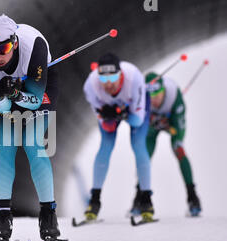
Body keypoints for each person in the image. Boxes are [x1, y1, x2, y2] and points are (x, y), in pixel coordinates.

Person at [0, 14, 61, 241]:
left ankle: (48, 214)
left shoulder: (34, 47)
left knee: (32, 142)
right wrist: (0, 96)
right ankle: (2, 216)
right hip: (11, 94)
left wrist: (16, 92)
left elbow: (36, 101)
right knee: (6, 144)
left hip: (38, 87)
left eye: (4, 48)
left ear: (15, 43)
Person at [83, 52, 154, 221]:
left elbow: (137, 121)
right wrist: (110, 116)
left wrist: (122, 113)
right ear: (97, 77)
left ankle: (146, 199)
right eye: (103, 79)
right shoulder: (91, 86)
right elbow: (106, 125)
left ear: (120, 74)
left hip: (134, 110)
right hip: (113, 111)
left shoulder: (134, 78)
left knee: (138, 145)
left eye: (113, 78)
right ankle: (94, 200)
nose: (108, 84)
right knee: (105, 146)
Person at [130, 73, 202, 216]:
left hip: (172, 122)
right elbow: (139, 124)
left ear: (163, 90)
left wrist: (168, 126)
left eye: (158, 96)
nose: (155, 101)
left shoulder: (175, 97)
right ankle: (139, 197)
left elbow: (178, 131)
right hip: (153, 127)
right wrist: (153, 123)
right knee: (144, 156)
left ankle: (192, 196)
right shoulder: (141, 99)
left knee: (179, 149)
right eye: (151, 97)